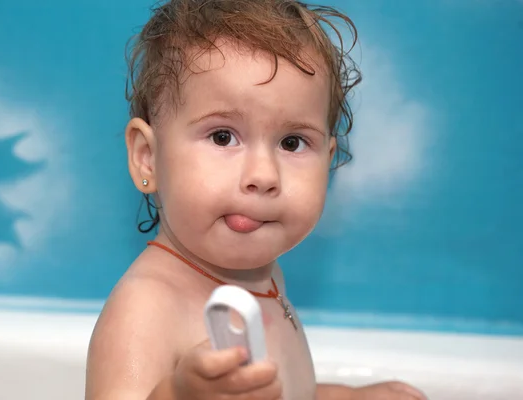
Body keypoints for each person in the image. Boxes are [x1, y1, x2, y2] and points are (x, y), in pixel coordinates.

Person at [86, 1, 427, 399]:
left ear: (329, 161)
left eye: (292, 142)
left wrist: (346, 396)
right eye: (222, 137)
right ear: (148, 157)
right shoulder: (146, 309)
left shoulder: (263, 277)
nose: (263, 176)